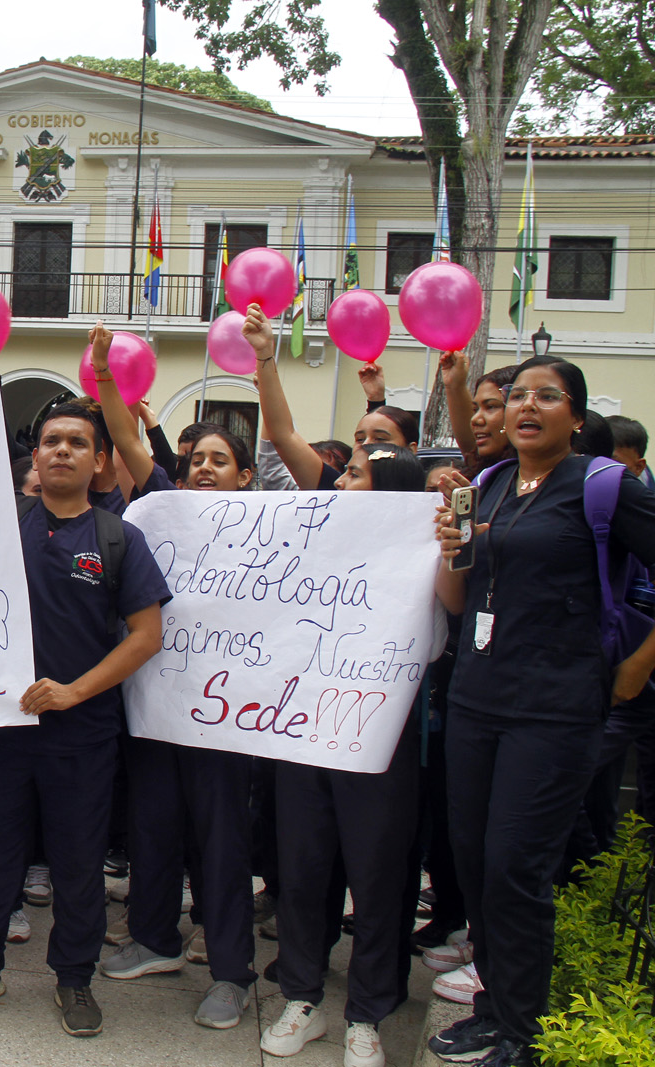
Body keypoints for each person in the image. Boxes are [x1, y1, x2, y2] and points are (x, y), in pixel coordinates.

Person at [429, 357, 655, 1066]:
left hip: (554, 709)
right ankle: (493, 1008)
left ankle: (524, 1031)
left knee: (515, 867)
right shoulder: (490, 485)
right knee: (472, 862)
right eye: (517, 396)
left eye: (546, 397)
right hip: (476, 697)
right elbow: (458, 600)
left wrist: (637, 664)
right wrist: (451, 549)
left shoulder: (605, 488)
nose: (526, 407)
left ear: (576, 418)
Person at [0, 381, 167, 1040]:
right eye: (51, 441)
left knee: (76, 862)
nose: (62, 451)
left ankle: (74, 977)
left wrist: (73, 691)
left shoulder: (118, 538)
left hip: (83, 735)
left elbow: (147, 638)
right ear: (33, 456)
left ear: (99, 461)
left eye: (78, 442)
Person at [89, 324, 260, 1029]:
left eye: (222, 460)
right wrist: (104, 380)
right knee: (152, 827)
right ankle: (156, 938)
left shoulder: (275, 528)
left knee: (220, 846)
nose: (206, 469)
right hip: (158, 704)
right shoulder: (165, 505)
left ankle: (231, 972)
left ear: (246, 476)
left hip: (223, 719)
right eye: (197, 460)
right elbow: (129, 443)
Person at [260, 444, 427, 1067]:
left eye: (355, 474)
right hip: (303, 734)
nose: (340, 482)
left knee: (377, 878)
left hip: (378, 741)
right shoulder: (311, 544)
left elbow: (440, 635)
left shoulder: (426, 558)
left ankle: (367, 1013)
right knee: (302, 871)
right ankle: (302, 998)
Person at [250, 307, 417, 490]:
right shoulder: (335, 490)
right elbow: (284, 435)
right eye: (359, 439)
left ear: (410, 450)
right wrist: (264, 351)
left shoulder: (433, 502)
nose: (366, 446)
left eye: (381, 439)